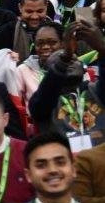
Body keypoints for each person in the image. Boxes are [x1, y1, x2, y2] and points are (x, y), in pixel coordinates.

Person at [29, 20, 105, 149]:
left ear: (83, 68)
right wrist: (65, 56)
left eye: (72, 59)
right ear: (50, 74)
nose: (68, 63)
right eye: (61, 62)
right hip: (63, 158)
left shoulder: (96, 90)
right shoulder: (45, 101)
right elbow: (40, 102)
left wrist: (102, 49)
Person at [23, 131, 82, 203]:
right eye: (41, 165)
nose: (52, 170)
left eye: (60, 162)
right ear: (28, 175)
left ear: (73, 169)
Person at [17, 22, 62, 108]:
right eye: (40, 43)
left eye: (52, 42)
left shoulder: (74, 68)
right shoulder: (23, 70)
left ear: (62, 43)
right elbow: (15, 104)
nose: (45, 47)